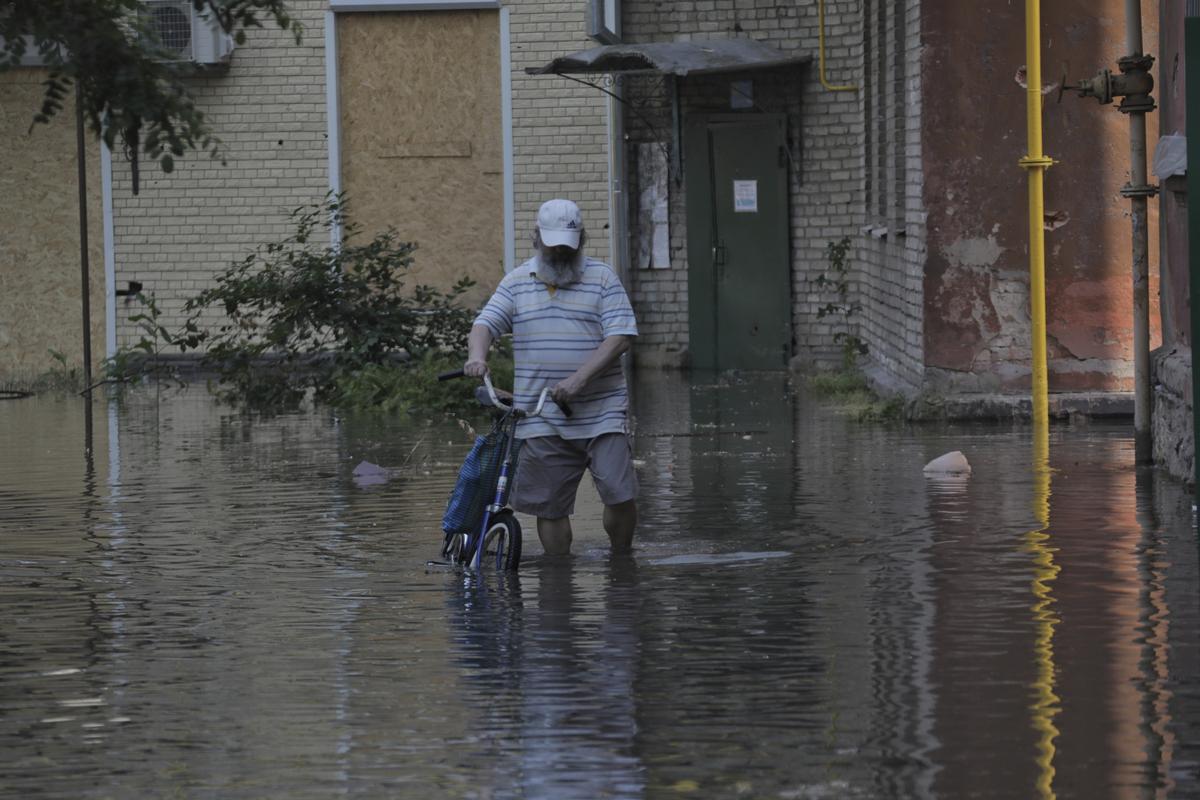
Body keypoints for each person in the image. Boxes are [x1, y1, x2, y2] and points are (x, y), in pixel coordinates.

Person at [464, 198, 638, 556]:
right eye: (552, 244)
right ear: (536, 238)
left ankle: (623, 560)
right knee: (549, 505)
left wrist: (579, 381)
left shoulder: (602, 278)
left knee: (619, 494)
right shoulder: (517, 282)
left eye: (567, 246)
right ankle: (559, 574)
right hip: (541, 414)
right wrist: (477, 357)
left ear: (582, 240)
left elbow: (620, 336)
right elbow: (485, 324)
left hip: (601, 410)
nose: (559, 252)